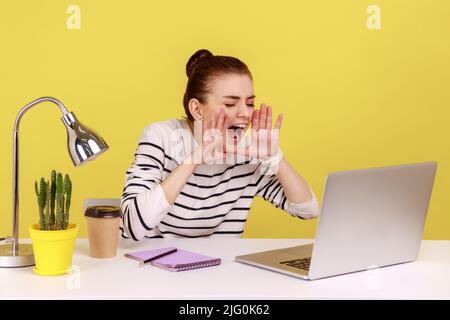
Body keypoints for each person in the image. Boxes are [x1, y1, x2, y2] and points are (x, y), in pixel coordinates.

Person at [120, 49, 319, 240]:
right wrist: (196, 158)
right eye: (231, 104)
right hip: (150, 266)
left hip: (217, 270)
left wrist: (275, 158)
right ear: (197, 109)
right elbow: (133, 226)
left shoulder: (247, 152)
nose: (245, 113)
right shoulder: (161, 137)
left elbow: (308, 210)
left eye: (249, 103)